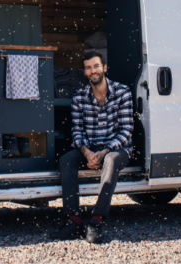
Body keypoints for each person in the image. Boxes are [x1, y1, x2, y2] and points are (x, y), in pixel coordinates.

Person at [51, 50, 134, 244]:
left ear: (104, 68)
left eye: (96, 66)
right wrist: (87, 153)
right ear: (85, 72)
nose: (92, 71)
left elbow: (126, 130)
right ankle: (74, 220)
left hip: (116, 149)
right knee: (66, 160)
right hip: (90, 148)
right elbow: (77, 131)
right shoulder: (79, 97)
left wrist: (104, 152)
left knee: (112, 160)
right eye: (88, 68)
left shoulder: (122, 92)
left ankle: (96, 220)